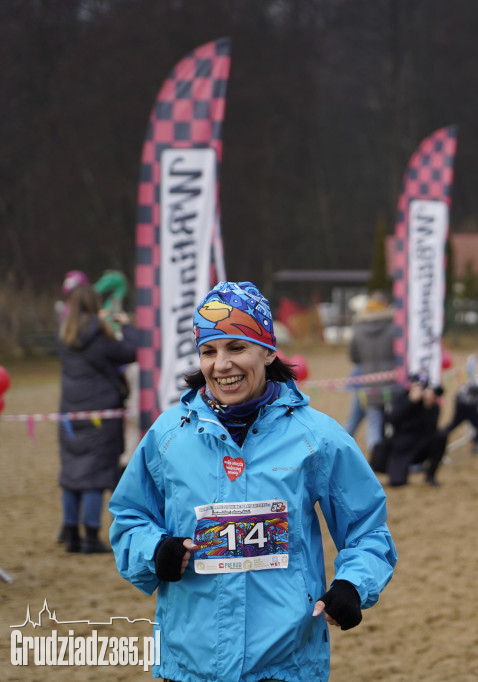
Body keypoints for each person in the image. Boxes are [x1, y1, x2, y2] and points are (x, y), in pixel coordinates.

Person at [108, 281, 397, 682]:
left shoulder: (318, 437)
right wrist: (153, 550)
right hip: (190, 664)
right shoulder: (168, 435)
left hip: (286, 665)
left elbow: (368, 527)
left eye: (236, 347)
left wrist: (352, 583)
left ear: (268, 351)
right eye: (209, 351)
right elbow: (129, 517)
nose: (221, 364)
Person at [58, 285, 138, 553]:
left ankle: (71, 533)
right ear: (95, 304)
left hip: (70, 413)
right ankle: (91, 535)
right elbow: (131, 352)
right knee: (95, 475)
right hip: (100, 414)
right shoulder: (99, 336)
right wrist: (126, 326)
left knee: (72, 474)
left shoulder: (65, 335)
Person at [343, 291, 399, 454]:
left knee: (373, 421)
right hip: (391, 383)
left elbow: (353, 356)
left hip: (367, 382)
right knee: (390, 422)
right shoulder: (394, 327)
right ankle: (385, 456)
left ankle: (375, 454)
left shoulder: (358, 328)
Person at [380, 375, 447, 487]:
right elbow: (392, 419)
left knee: (441, 436)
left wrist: (427, 406)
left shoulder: (432, 405)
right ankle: (397, 469)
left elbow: (432, 429)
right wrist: (410, 401)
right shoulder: (402, 397)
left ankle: (430, 475)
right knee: (397, 483)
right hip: (402, 446)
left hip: (421, 444)